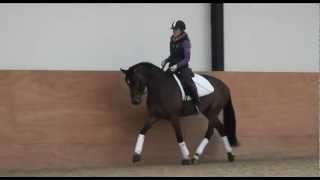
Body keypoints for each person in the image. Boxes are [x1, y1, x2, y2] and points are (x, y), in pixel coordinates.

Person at [161, 20, 200, 113]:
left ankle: (197, 102)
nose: (174, 31)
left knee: (189, 82)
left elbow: (187, 59)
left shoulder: (185, 42)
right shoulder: (172, 40)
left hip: (182, 67)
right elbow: (172, 55)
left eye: (176, 29)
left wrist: (177, 66)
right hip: (172, 66)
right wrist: (166, 60)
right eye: (173, 29)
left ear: (181, 30)